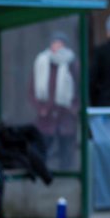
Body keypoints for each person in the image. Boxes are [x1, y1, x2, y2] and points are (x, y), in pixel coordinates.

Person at [28, 31, 79, 168]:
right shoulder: (42, 62)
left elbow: (78, 88)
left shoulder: (72, 64)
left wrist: (73, 108)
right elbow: (33, 88)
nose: (57, 47)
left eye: (60, 44)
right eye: (54, 43)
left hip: (65, 114)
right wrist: (41, 108)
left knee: (66, 148)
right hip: (46, 115)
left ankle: (66, 175)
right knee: (44, 145)